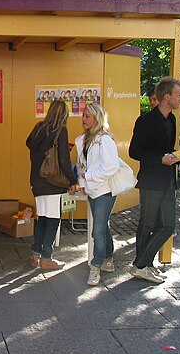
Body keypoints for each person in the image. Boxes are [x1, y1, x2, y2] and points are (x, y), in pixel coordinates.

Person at [129, 77, 180, 284]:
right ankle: (143, 266)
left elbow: (166, 148)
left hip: (168, 180)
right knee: (147, 224)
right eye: (178, 95)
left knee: (167, 226)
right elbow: (134, 151)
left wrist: (176, 156)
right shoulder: (145, 121)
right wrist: (160, 159)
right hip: (151, 181)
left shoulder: (172, 120)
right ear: (166, 97)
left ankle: (141, 264)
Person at [26, 100, 78, 270]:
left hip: (37, 181)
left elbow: (30, 144)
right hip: (52, 182)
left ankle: (35, 255)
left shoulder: (39, 127)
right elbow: (63, 159)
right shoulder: (60, 130)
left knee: (42, 219)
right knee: (53, 220)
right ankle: (47, 258)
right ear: (64, 114)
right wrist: (72, 180)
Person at [75, 104, 120, 286]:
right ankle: (108, 257)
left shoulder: (105, 140)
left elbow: (111, 167)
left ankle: (96, 266)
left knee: (97, 230)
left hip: (105, 190)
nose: (84, 119)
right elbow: (82, 165)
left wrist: (90, 177)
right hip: (93, 189)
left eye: (87, 116)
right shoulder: (84, 139)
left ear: (97, 118)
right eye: (83, 115)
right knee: (102, 227)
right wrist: (83, 183)